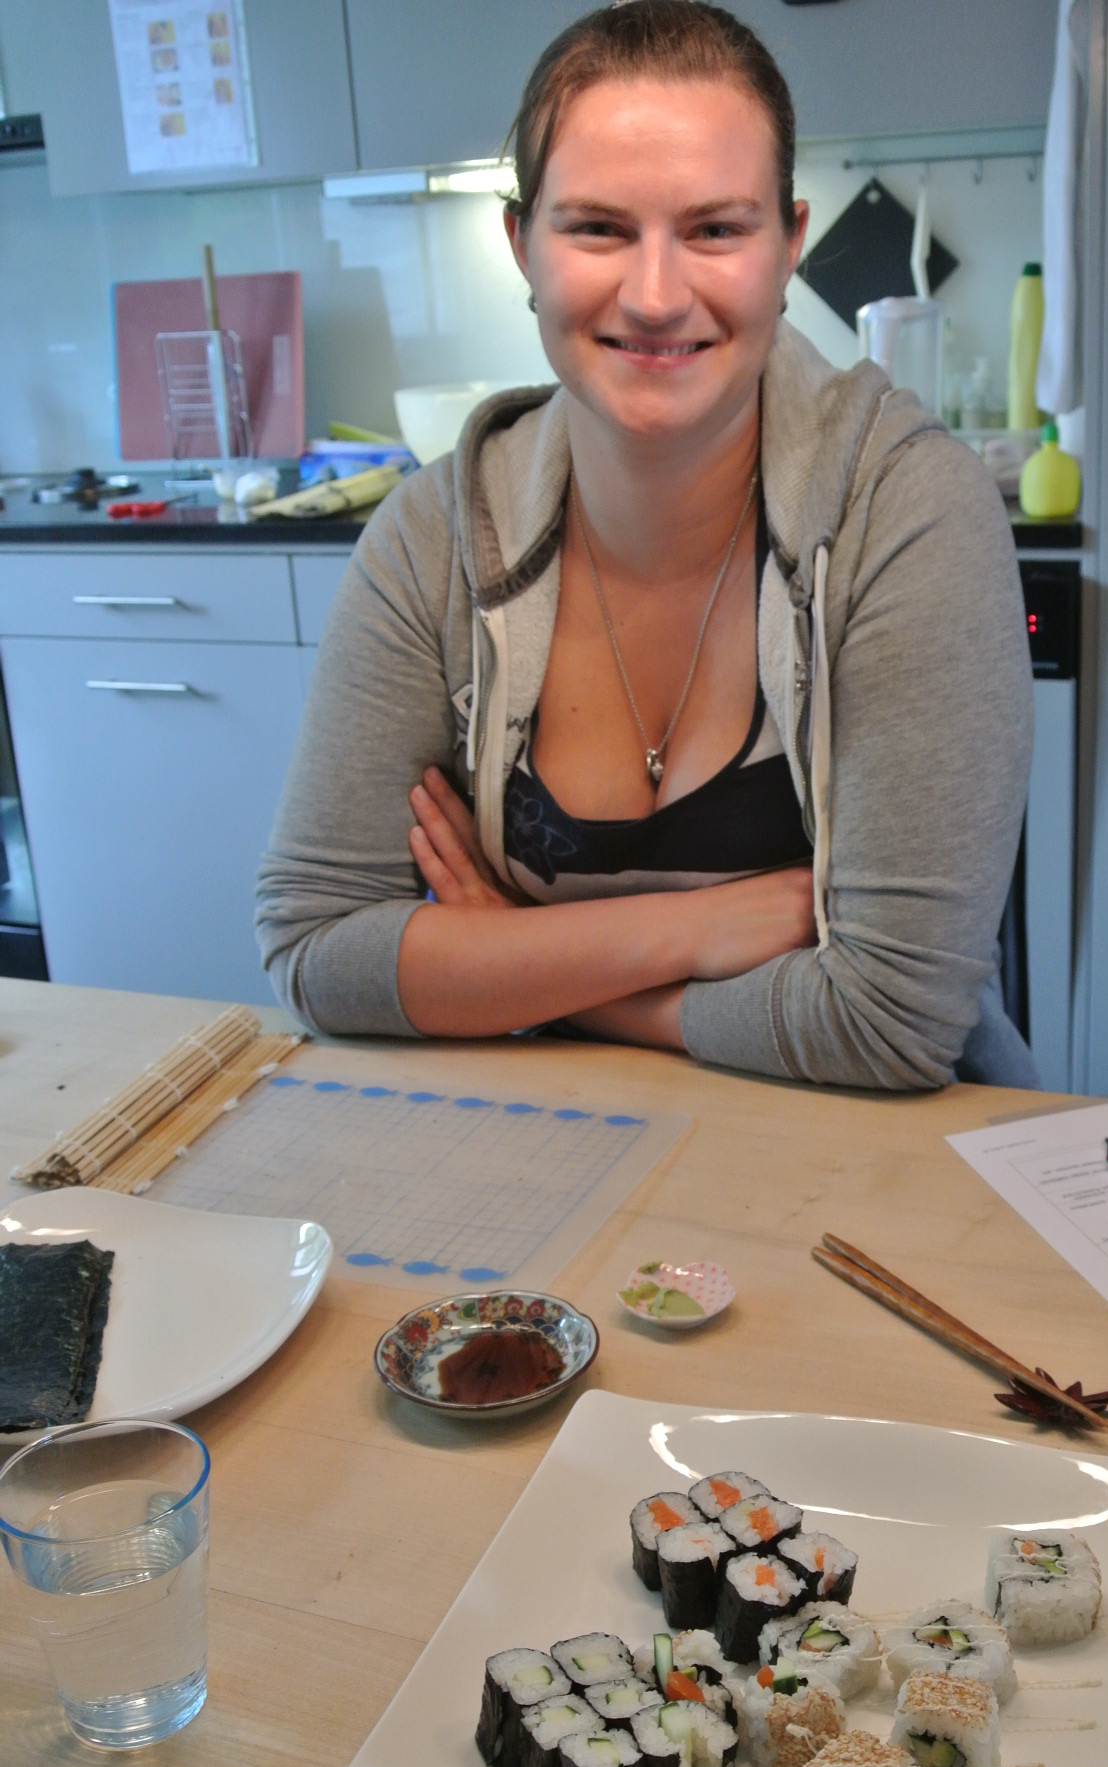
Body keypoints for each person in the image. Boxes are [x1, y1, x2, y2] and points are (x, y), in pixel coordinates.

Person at [256, 0, 1036, 1090]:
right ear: (521, 245)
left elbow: (888, 1023)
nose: (658, 296)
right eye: (598, 229)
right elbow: (316, 948)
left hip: (872, 1152)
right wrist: (695, 930)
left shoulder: (905, 509)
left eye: (715, 230)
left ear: (789, 246)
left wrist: (514, 962)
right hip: (555, 1135)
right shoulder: (436, 535)